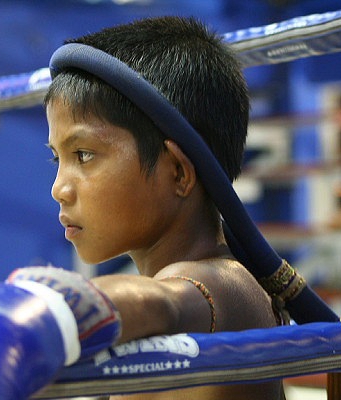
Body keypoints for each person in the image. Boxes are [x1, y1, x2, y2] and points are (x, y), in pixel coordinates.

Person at [45, 16, 286, 399]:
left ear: (177, 172)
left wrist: (48, 310)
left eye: (84, 154)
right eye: (56, 158)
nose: (60, 188)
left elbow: (166, 304)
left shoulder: (219, 282)